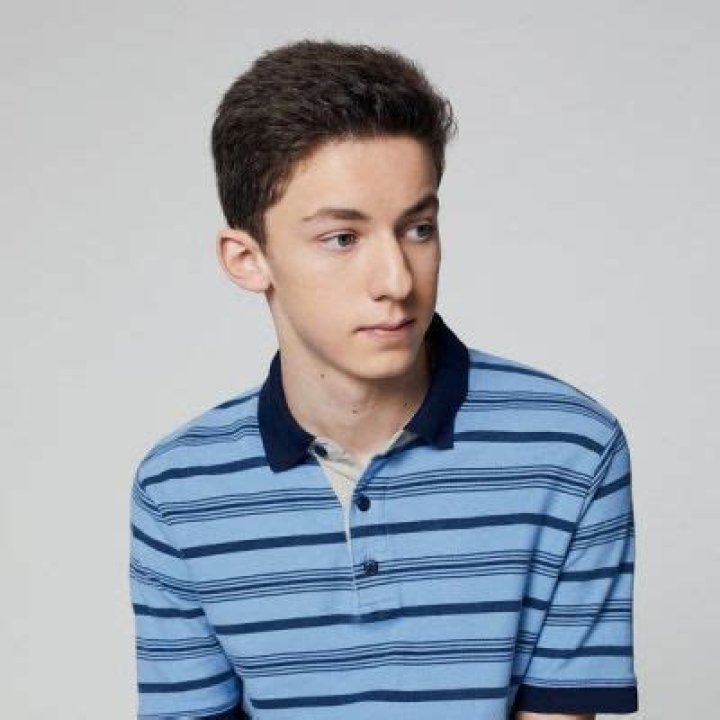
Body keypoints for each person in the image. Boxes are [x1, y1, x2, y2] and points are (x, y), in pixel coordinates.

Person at [128, 39, 639, 719]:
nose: (397, 280)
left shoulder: (571, 451)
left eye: (418, 228)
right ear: (247, 259)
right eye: (343, 238)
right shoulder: (177, 490)